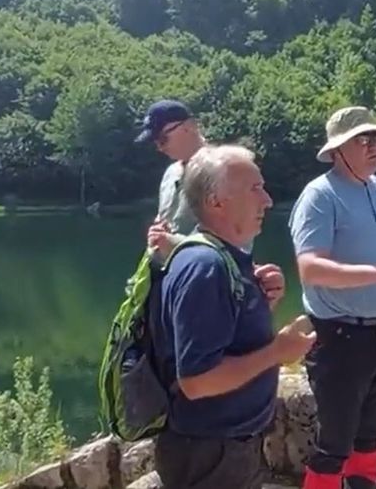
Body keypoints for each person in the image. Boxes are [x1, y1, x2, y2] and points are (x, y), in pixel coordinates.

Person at [150, 144, 314, 489]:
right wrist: (278, 352)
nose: (267, 200)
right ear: (216, 202)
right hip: (209, 455)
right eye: (255, 189)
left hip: (225, 449)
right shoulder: (205, 266)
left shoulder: (223, 258)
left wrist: (260, 303)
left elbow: (225, 336)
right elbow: (197, 381)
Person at [289, 106, 376, 489]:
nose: (372, 146)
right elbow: (311, 268)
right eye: (361, 140)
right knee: (334, 443)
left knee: (368, 435)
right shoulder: (320, 196)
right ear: (336, 151)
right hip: (338, 337)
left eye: (375, 138)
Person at [136, 99, 206, 260]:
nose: (160, 148)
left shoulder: (226, 170)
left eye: (163, 139)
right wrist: (157, 233)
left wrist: (174, 243)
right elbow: (164, 220)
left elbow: (234, 243)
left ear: (189, 126)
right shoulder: (170, 173)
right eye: (155, 142)